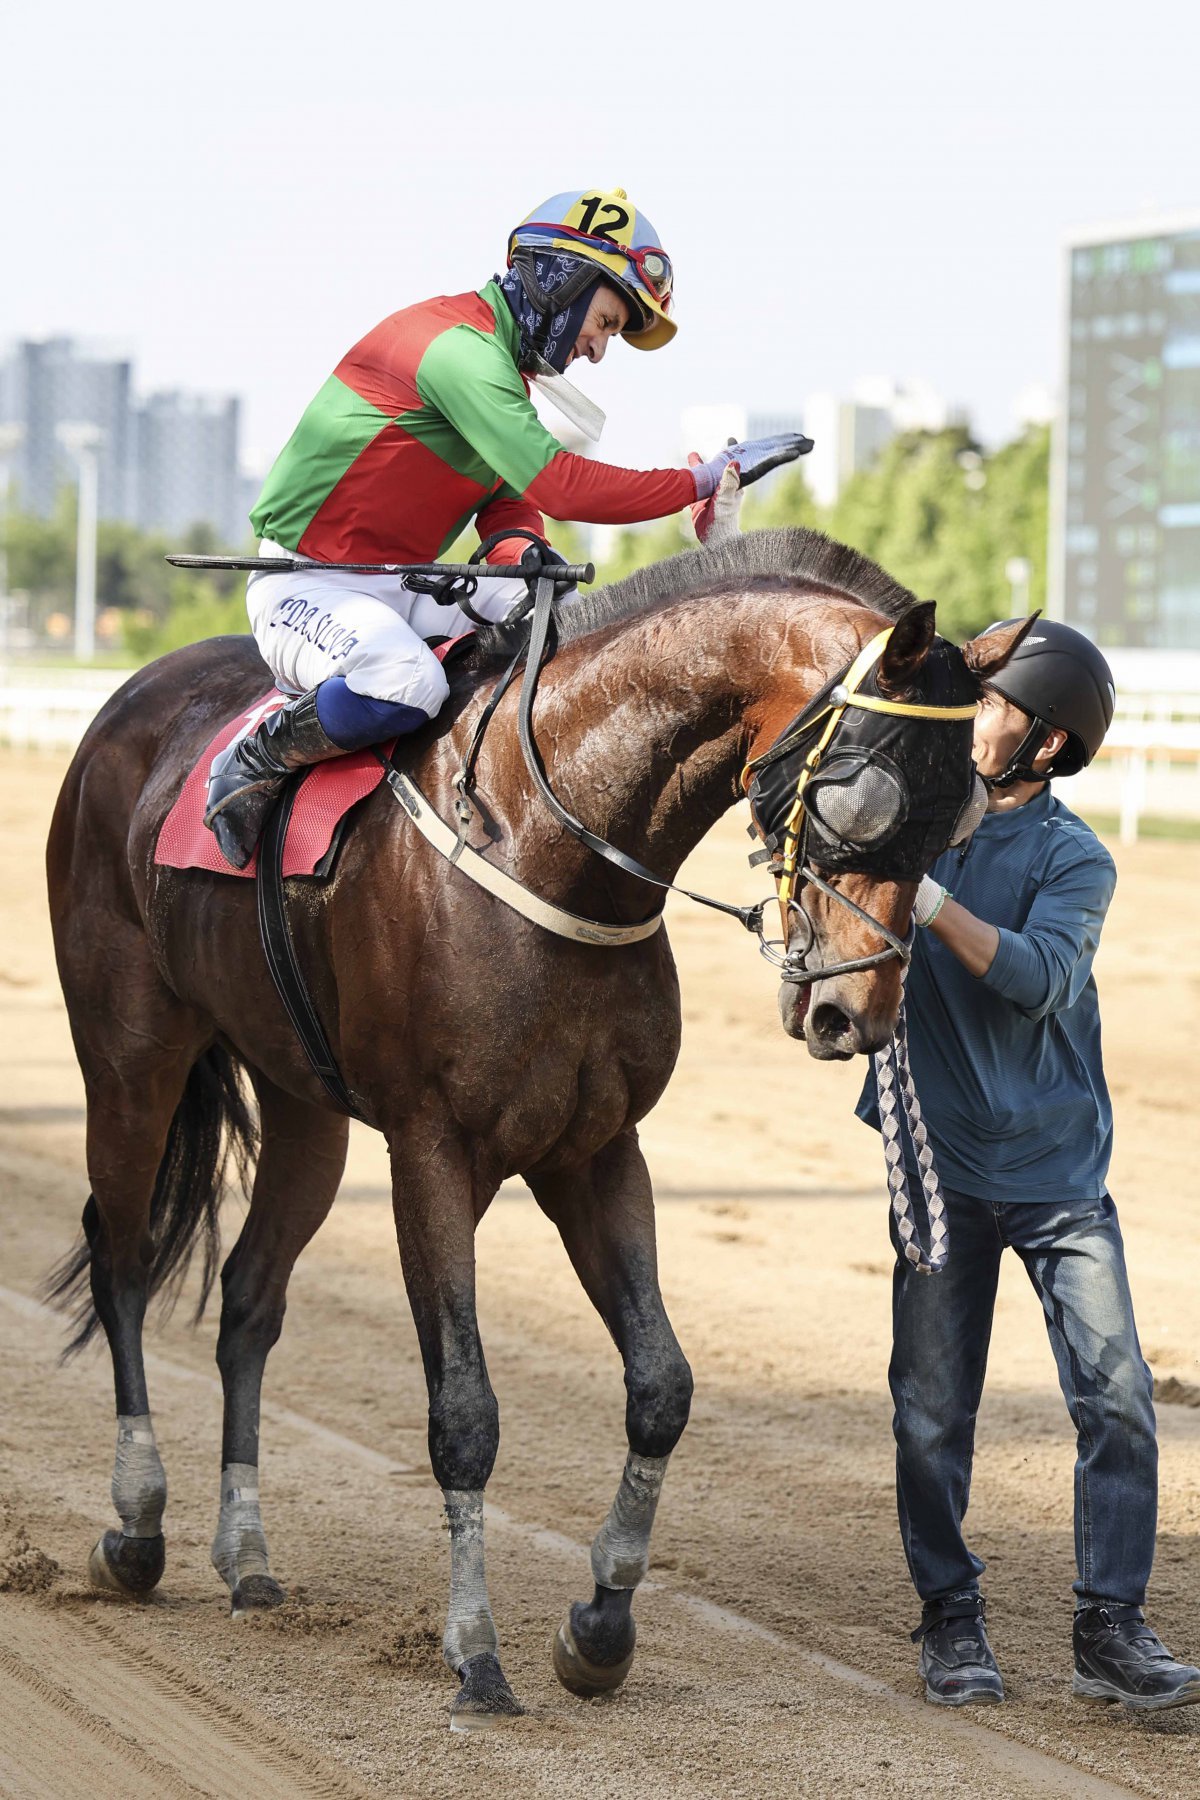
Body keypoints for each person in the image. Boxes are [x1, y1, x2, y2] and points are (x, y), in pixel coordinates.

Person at [204, 186, 807, 867]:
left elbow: (511, 500)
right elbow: (557, 482)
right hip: (307, 588)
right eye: (606, 322)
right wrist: (697, 480)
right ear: (563, 281)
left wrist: (527, 550)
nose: (600, 351)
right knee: (410, 686)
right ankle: (258, 754)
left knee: (576, 626)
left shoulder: (503, 373)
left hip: (400, 582)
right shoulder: (457, 349)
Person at [857, 620, 1200, 1712]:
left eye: (996, 705)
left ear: (1044, 745)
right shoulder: (915, 820)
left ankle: (1111, 1626)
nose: (977, 717)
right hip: (940, 1168)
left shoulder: (1074, 858)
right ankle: (951, 1621)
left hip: (1058, 1171)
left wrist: (931, 897)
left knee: (1119, 1399)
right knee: (929, 1409)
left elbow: (1044, 979)